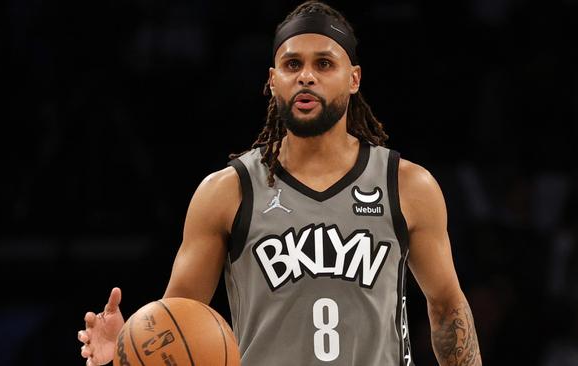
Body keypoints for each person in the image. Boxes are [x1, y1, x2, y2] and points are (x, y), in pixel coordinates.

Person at [77, 1, 483, 365]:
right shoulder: (227, 191)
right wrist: (128, 351)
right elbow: (175, 329)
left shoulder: (408, 185)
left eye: (324, 64)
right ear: (273, 80)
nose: (306, 76)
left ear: (354, 78)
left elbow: (448, 311)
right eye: (292, 65)